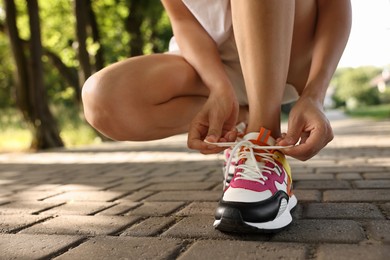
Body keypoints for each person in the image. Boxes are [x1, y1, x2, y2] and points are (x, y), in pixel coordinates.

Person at [82, 0, 352, 233]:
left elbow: (334, 6)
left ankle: (263, 141)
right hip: (214, 60)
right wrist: (218, 87)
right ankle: (243, 124)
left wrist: (315, 94)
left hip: (289, 47)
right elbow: (182, 18)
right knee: (104, 99)